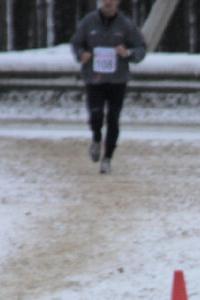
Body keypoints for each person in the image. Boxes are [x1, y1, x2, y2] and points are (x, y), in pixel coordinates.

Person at [70, 0, 146, 174]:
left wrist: (128, 53)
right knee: (95, 115)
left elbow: (141, 48)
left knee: (113, 118)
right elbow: (75, 43)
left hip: (117, 79)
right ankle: (96, 138)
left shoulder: (126, 24)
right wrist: (81, 54)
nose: (108, 3)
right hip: (94, 78)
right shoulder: (88, 22)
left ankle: (108, 158)